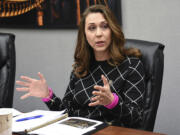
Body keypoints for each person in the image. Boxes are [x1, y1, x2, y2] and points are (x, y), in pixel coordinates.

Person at [16, 5, 145, 128]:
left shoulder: (131, 66)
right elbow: (66, 113)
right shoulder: (81, 67)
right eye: (92, 28)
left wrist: (112, 102)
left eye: (104, 26)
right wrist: (48, 96)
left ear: (113, 30)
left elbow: (136, 119)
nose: (98, 33)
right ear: (84, 35)